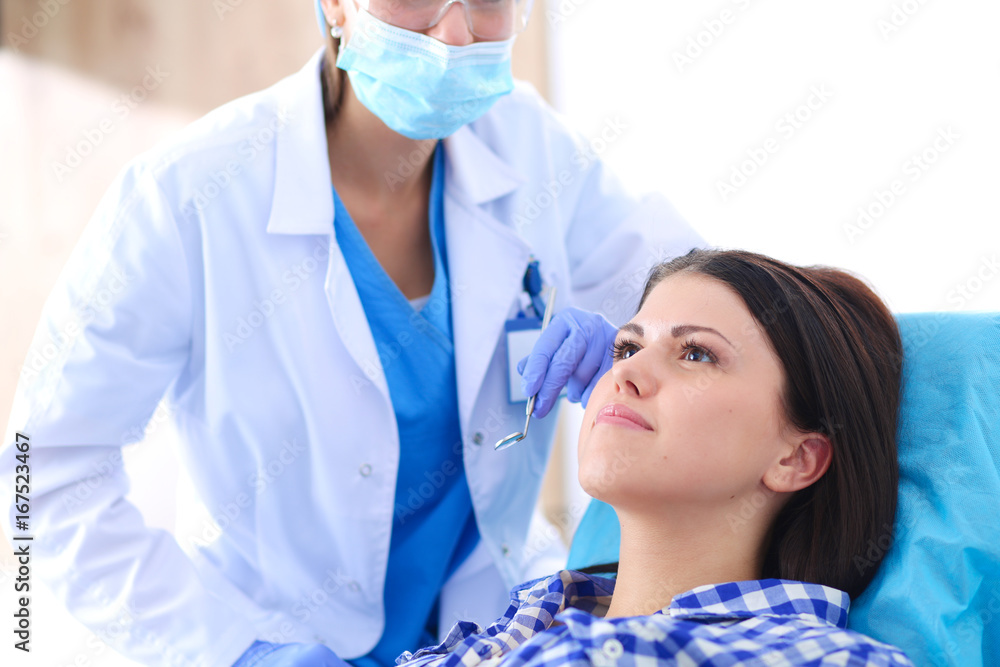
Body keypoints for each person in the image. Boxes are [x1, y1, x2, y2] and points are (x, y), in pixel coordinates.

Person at [0, 1, 703, 666]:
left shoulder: (534, 147)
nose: (453, 35)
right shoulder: (190, 193)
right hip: (269, 626)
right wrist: (236, 650)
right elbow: (47, 474)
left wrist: (630, 344)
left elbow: (720, 309)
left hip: (496, 624)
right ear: (335, 2)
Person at [396, 248, 915, 666]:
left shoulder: (821, 659)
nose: (623, 374)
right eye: (627, 348)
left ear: (796, 459)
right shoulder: (520, 627)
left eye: (696, 354)